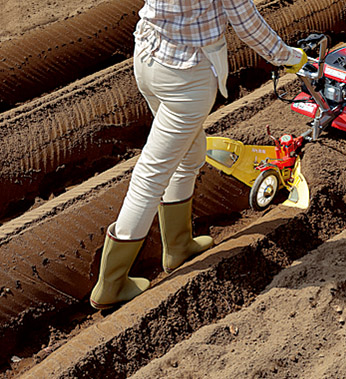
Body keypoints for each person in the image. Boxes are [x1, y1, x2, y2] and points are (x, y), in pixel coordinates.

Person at [90, 0, 307, 309]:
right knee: (152, 174)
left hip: (149, 58)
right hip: (187, 77)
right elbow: (247, 24)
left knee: (190, 154)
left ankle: (178, 247)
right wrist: (290, 58)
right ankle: (110, 284)